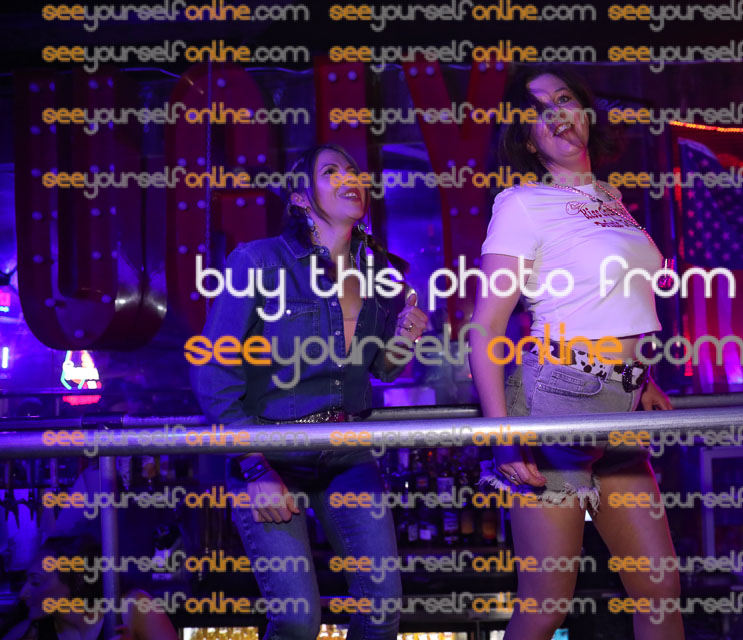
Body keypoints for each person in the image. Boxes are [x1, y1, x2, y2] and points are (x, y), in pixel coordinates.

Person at [468, 67, 684, 639]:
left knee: (659, 590)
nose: (557, 113)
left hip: (621, 403)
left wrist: (641, 377)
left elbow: (611, 300)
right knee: (546, 606)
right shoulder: (522, 203)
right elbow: (486, 326)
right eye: (539, 110)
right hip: (557, 399)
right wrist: (502, 435)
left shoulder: (610, 198)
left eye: (564, 98)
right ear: (527, 138)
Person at [190, 144, 427, 640]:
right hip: (270, 454)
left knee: (383, 611)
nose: (350, 178)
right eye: (331, 171)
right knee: (298, 621)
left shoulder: (377, 273)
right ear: (300, 198)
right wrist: (255, 467)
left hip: (347, 453)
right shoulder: (258, 260)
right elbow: (213, 370)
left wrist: (406, 335)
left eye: (354, 171)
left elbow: (381, 368)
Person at [0, 536, 177, 640]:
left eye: (36, 582)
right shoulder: (33, 630)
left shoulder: (135, 607)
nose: (23, 593)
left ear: (74, 581)